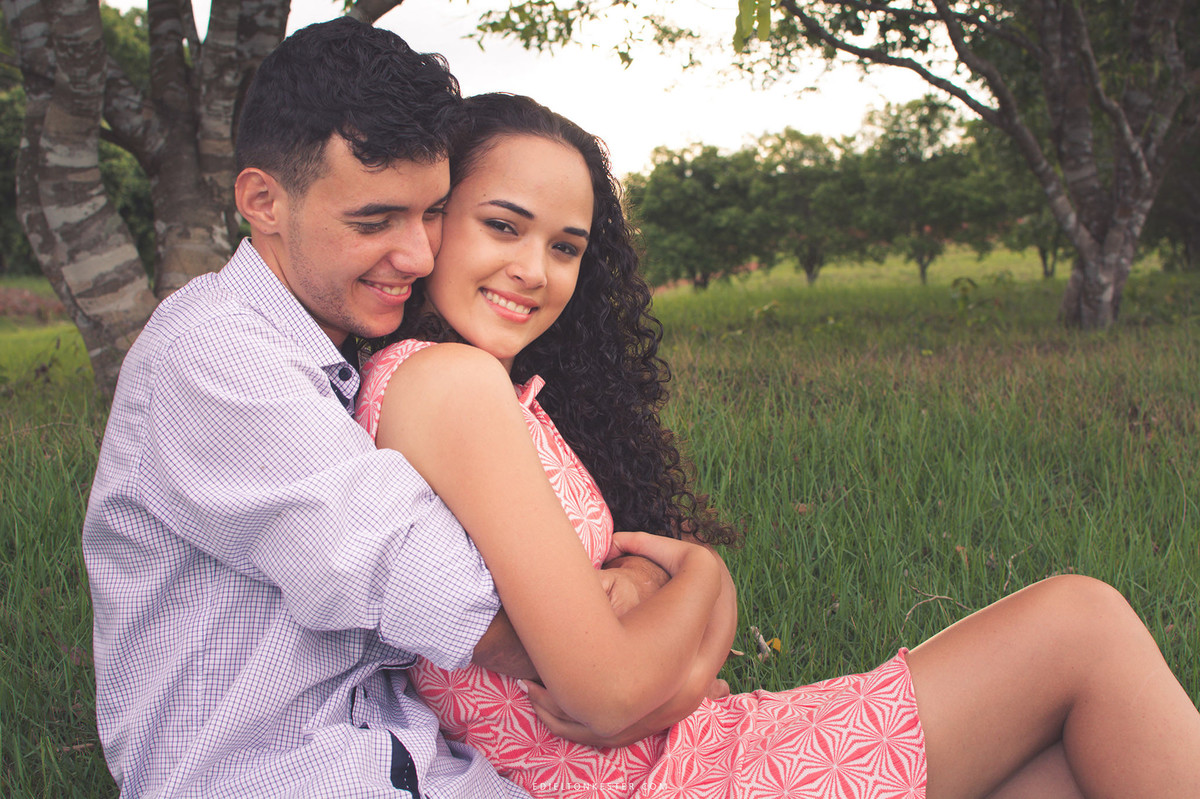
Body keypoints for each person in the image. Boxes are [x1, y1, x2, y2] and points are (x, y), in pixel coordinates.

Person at [354, 93, 1200, 799]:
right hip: (662, 781)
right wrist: (701, 576)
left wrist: (672, 599)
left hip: (675, 754)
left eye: (566, 246)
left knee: (1062, 769)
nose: (535, 270)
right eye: (504, 226)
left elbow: (629, 663)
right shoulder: (447, 384)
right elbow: (605, 693)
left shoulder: (475, 391)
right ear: (431, 221)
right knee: (1080, 626)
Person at [82, 19, 567, 798]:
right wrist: (630, 640)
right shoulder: (213, 356)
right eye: (374, 221)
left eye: (432, 212)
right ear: (263, 201)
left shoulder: (334, 348)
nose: (417, 254)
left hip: (414, 758)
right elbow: (450, 595)